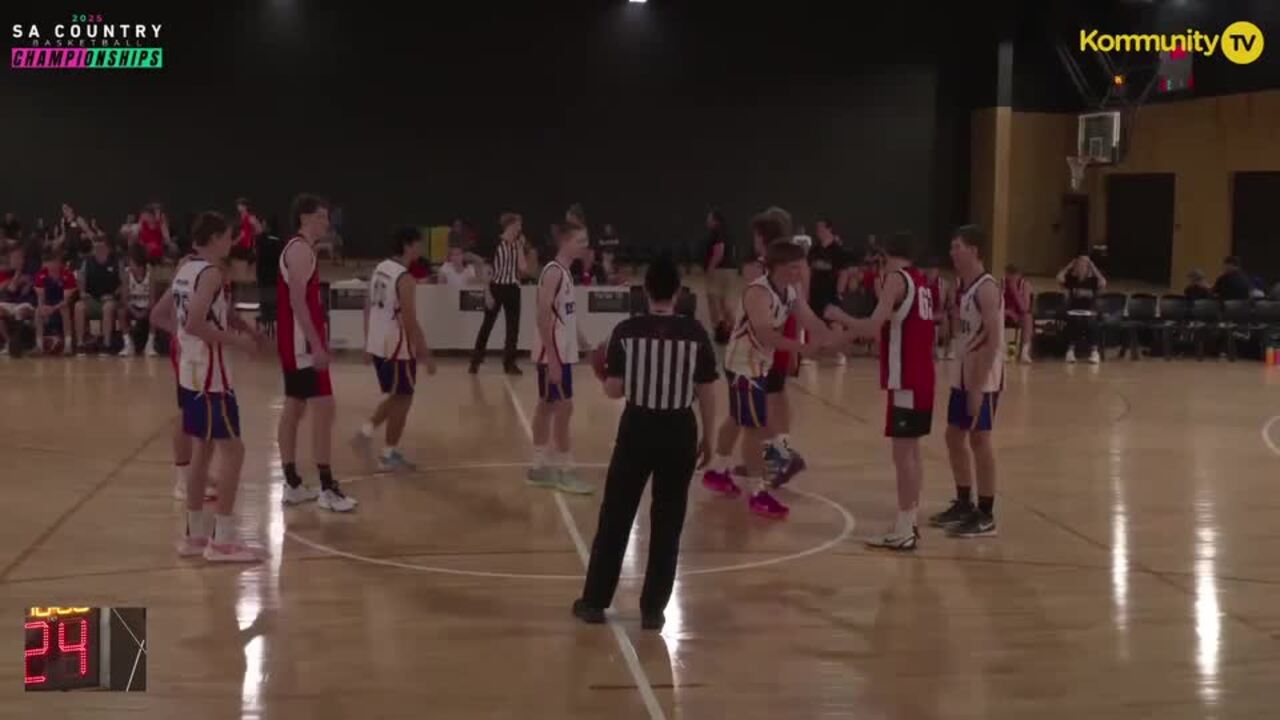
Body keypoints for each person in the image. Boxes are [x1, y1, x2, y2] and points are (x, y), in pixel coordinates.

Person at [572, 256, 718, 631]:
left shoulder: (626, 330)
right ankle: (653, 609)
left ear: (646, 291)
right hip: (679, 430)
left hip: (638, 427)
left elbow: (613, 390)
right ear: (678, 292)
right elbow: (706, 390)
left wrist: (598, 368)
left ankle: (594, 602)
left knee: (617, 516)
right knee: (668, 522)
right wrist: (710, 436)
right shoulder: (696, 334)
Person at [701, 230, 827, 519]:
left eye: (801, 265)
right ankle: (758, 492)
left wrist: (834, 335)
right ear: (778, 267)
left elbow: (809, 318)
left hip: (758, 363)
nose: (800, 271)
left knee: (737, 418)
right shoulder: (758, 292)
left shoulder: (790, 291)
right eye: (794, 266)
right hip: (744, 363)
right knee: (754, 428)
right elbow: (766, 334)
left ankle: (717, 472)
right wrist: (802, 348)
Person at [170, 211, 267, 562]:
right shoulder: (210, 273)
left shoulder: (185, 268)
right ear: (213, 239)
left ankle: (195, 535)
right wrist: (237, 342)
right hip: (210, 376)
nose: (232, 242)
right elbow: (196, 323)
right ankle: (223, 540)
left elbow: (189, 318)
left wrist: (244, 330)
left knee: (203, 451)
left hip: (191, 372)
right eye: (228, 236)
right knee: (234, 451)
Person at [835, 232, 935, 551]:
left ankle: (905, 527)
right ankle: (909, 521)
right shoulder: (920, 282)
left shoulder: (895, 279)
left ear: (886, 255)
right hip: (922, 376)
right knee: (913, 453)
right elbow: (897, 325)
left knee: (903, 454)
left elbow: (871, 326)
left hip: (906, 378)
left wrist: (838, 317)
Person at [277, 193, 357, 512]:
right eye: (322, 216)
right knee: (324, 408)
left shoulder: (300, 249)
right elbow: (297, 300)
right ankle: (327, 487)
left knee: (294, 407)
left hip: (294, 342)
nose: (327, 222)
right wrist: (316, 343)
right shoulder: (299, 249)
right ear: (306, 218)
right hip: (301, 345)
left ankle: (292, 483)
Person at [930, 226, 1004, 538]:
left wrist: (976, 386)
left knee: (979, 440)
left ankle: (986, 514)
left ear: (974, 250)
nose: (952, 252)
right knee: (953, 437)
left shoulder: (987, 288)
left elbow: (994, 341)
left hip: (982, 380)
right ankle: (964, 502)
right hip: (964, 376)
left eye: (957, 246)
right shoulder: (966, 287)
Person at [353, 226, 437, 471]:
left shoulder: (380, 268)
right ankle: (387, 454)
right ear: (408, 245)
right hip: (397, 347)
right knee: (404, 398)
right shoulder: (405, 279)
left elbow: (367, 306)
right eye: (419, 244)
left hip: (379, 343)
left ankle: (366, 433)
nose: (421, 249)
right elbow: (410, 321)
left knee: (397, 396)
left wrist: (368, 342)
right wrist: (425, 353)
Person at [526, 220, 594, 495]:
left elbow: (564, 314)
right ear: (565, 242)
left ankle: (538, 466)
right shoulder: (552, 273)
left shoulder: (564, 272)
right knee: (563, 409)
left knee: (547, 406)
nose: (585, 246)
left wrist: (582, 342)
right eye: (580, 241)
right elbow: (542, 317)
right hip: (551, 353)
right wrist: (553, 359)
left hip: (561, 352)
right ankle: (565, 470)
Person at [469, 213, 528, 375]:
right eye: (518, 225)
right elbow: (487, 270)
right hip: (496, 287)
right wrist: (487, 293)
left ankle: (509, 363)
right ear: (511, 225)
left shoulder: (518, 244)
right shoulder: (496, 243)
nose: (520, 228)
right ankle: (476, 360)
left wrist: (521, 248)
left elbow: (523, 269)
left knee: (513, 328)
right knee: (487, 325)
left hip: (513, 288)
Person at [808, 217, 851, 365]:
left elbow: (844, 273)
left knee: (835, 323)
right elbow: (808, 270)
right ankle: (813, 355)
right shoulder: (814, 250)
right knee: (814, 321)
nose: (818, 231)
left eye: (821, 228)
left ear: (829, 229)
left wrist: (839, 291)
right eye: (817, 228)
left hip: (831, 292)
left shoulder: (838, 250)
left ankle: (838, 354)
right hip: (815, 292)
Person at [74, 236, 123, 355]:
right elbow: (81, 280)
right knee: (78, 307)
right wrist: (82, 293)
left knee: (107, 308)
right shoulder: (87, 262)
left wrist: (113, 295)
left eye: (101, 247)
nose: (99, 249)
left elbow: (124, 284)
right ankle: (80, 344)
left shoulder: (117, 262)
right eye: (96, 247)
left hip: (110, 299)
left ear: (107, 248)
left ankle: (106, 344)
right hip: (93, 299)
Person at [1056, 254, 1105, 363]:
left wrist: (1093, 266)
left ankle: (1094, 352)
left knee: (1091, 322)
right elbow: (1059, 278)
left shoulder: (1093, 281)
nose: (1081, 267)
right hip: (1073, 311)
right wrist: (1069, 265)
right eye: (1079, 264)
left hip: (1089, 312)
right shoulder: (1071, 280)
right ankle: (1070, 351)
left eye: (1084, 265)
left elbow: (1103, 282)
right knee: (1075, 321)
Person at [703, 209, 737, 344]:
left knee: (714, 301)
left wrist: (711, 268)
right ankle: (734, 330)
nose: (707, 221)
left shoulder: (718, 233)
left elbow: (719, 250)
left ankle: (719, 330)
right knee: (725, 302)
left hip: (720, 271)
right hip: (730, 270)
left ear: (716, 221)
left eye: (709, 219)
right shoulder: (728, 232)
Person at [34, 247, 76, 355]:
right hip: (48, 303)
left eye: (53, 262)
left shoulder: (67, 275)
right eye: (48, 263)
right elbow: (40, 296)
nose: (51, 266)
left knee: (64, 309)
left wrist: (53, 308)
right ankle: (39, 346)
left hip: (62, 304)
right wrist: (42, 307)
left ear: (59, 262)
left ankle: (68, 346)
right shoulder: (41, 274)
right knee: (38, 311)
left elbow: (66, 300)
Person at [119, 245, 157, 357]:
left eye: (131, 262)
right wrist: (135, 312)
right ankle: (128, 344)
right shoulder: (127, 275)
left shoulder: (150, 274)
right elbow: (124, 299)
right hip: (133, 307)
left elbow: (152, 299)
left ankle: (150, 345)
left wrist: (144, 312)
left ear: (138, 262)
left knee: (155, 311)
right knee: (121, 312)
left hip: (147, 307)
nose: (129, 264)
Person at [0, 244, 37, 355]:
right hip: (9, 304)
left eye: (19, 257)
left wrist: (20, 274)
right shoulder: (4, 273)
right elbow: (11, 289)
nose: (16, 260)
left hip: (25, 303)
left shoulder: (30, 271)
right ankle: (9, 342)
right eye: (14, 258)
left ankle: (20, 344)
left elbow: (23, 290)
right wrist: (17, 274)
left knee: (21, 312)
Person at [1003, 263, 1033, 364]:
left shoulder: (1025, 285)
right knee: (995, 316)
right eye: (1009, 274)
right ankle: (1002, 351)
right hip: (1005, 313)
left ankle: (1024, 353)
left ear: (1019, 275)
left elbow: (1025, 307)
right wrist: (1007, 311)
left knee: (1028, 317)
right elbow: (996, 304)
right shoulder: (1002, 283)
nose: (1011, 277)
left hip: (1019, 314)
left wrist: (1015, 290)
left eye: (1014, 274)